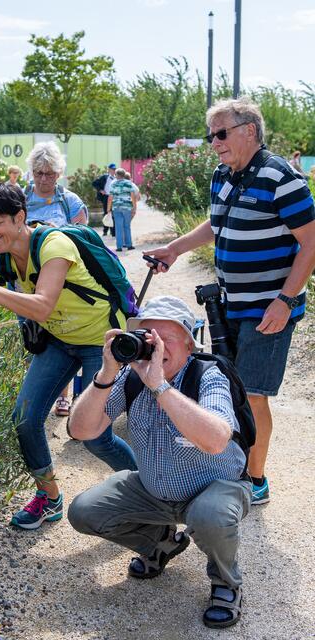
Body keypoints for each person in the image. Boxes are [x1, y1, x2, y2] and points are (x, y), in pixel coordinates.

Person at [0, 182, 136, 530]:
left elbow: (42, 304)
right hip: (59, 340)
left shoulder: (54, 244)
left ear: (20, 217)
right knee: (24, 418)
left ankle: (148, 490)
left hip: (102, 341)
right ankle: (49, 497)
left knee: (94, 434)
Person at [148, 98, 315, 505]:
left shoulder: (282, 177)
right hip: (231, 305)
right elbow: (217, 223)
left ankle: (254, 478)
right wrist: (175, 248)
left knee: (253, 392)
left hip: (268, 308)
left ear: (250, 131)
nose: (214, 143)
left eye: (221, 134)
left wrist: (284, 299)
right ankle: (235, 465)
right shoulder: (224, 174)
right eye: (211, 136)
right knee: (232, 387)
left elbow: (311, 241)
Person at [68, 296, 252, 629]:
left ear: (189, 344)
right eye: (148, 336)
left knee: (210, 516)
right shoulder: (131, 376)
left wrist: (160, 386)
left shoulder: (208, 375)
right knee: (84, 511)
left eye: (166, 338)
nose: (155, 347)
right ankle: (163, 543)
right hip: (154, 489)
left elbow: (214, 440)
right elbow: (82, 429)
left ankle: (226, 583)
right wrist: (107, 372)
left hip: (216, 488)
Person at [25, 141, 88, 416]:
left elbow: (87, 240)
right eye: (39, 173)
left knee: (61, 337)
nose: (44, 179)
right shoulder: (20, 199)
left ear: (58, 174)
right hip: (26, 280)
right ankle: (34, 396)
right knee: (31, 339)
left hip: (64, 282)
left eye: (50, 174)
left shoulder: (70, 201)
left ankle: (64, 395)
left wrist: (58, 232)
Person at [107, 167, 137, 252]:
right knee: (127, 226)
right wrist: (134, 207)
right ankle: (129, 245)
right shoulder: (129, 183)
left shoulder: (113, 184)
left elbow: (110, 197)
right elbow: (133, 195)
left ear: (116, 175)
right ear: (124, 175)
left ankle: (119, 246)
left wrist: (108, 209)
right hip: (127, 207)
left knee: (118, 227)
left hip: (116, 207)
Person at [92, 163, 116, 236]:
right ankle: (105, 231)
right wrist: (100, 190)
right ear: (109, 170)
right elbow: (94, 183)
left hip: (114, 198)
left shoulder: (117, 178)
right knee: (107, 213)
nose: (113, 171)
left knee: (113, 214)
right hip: (106, 197)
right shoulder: (104, 177)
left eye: (114, 169)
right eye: (112, 169)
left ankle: (113, 232)